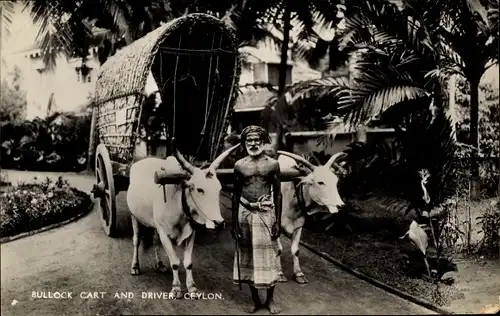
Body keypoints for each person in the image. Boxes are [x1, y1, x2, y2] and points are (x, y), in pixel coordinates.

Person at [231, 125, 282, 314]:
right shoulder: (239, 165)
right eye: (249, 140)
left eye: (256, 140)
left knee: (269, 257)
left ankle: (270, 300)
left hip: (265, 214)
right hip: (244, 213)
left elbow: (278, 194)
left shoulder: (272, 164)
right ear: (244, 143)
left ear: (263, 142)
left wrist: (276, 221)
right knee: (248, 257)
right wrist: (234, 223)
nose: (253, 143)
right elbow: (235, 195)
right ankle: (255, 300)